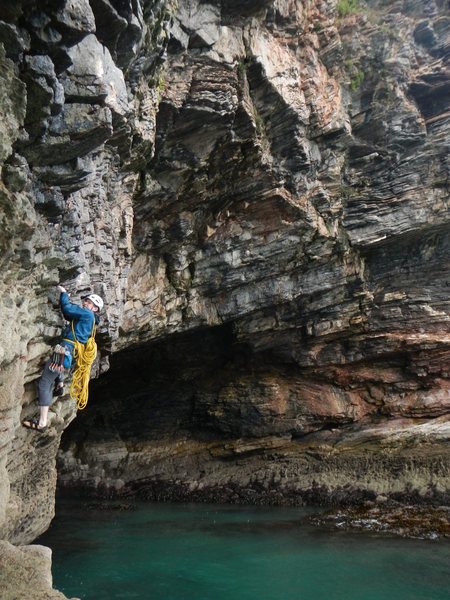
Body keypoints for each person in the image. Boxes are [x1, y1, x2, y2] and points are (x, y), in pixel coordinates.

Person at [22, 285, 103, 432]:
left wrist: (64, 294)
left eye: (89, 303)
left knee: (45, 382)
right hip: (70, 353)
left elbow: (68, 310)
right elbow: (69, 316)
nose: (85, 303)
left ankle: (42, 422)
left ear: (95, 308)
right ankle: (59, 384)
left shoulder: (87, 314)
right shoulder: (92, 322)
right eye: (85, 301)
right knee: (52, 371)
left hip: (64, 350)